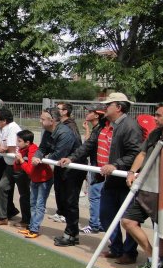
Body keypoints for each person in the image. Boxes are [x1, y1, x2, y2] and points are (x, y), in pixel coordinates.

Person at [59, 93, 142, 258]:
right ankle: (117, 248)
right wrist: (72, 157)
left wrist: (116, 165)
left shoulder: (130, 126)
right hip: (108, 179)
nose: (104, 107)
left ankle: (129, 252)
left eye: (108, 104)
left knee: (129, 219)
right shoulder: (104, 124)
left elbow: (137, 153)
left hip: (125, 180)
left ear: (118, 107)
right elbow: (89, 145)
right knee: (106, 215)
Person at [121, 103, 163, 268]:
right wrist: (132, 172)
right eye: (156, 114)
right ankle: (155, 259)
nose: (155, 118)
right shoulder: (154, 134)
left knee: (160, 234)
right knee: (128, 221)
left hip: (161, 194)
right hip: (146, 189)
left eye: (159, 115)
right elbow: (142, 154)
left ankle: (157, 267)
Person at [34, 108, 86, 246]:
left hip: (73, 171)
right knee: (62, 202)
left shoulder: (65, 133)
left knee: (70, 203)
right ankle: (71, 233)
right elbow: (42, 149)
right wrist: (37, 156)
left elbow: (58, 154)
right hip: (61, 169)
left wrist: (42, 159)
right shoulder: (47, 132)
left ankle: (71, 235)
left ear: (52, 121)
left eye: (43, 119)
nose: (40, 121)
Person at [15, 130, 53, 238]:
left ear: (27, 142)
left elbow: (30, 170)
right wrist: (18, 162)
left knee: (39, 205)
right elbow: (17, 168)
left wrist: (21, 161)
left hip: (44, 180)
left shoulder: (33, 150)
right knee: (33, 204)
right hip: (35, 180)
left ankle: (34, 229)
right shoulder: (22, 150)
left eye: (19, 141)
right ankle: (31, 226)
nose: (17, 143)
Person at [0, 108, 25, 226]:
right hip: (10, 165)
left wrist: (1, 148)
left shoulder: (13, 128)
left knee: (24, 194)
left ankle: (27, 220)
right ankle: (2, 217)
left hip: (20, 166)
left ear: (4, 121)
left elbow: (10, 148)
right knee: (1, 187)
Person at [79, 103, 107, 234]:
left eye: (89, 111)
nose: (86, 113)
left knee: (95, 196)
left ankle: (95, 224)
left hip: (97, 167)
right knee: (97, 196)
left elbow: (88, 146)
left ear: (96, 115)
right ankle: (99, 223)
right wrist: (87, 129)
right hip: (96, 166)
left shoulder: (101, 129)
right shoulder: (98, 128)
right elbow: (89, 142)